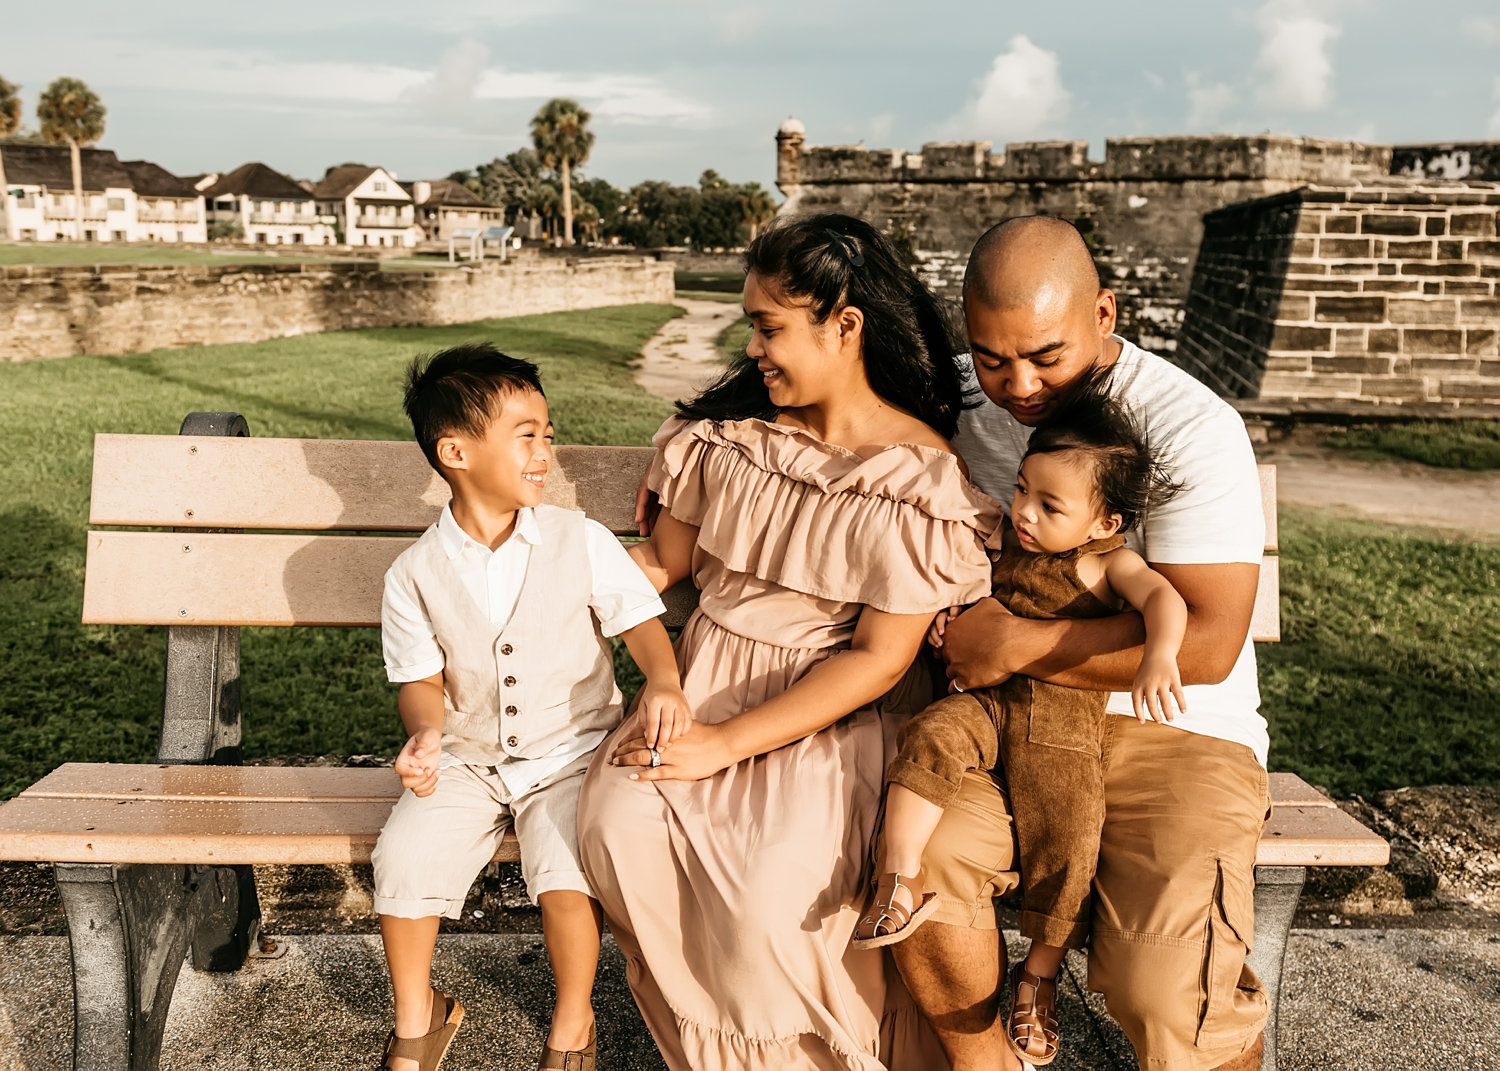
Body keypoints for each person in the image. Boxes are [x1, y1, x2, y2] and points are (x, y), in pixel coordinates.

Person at [576, 214, 1001, 1070]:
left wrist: (726, 743)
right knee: (615, 823)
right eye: (750, 326)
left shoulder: (918, 485)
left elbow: (879, 660)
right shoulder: (730, 440)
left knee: (766, 900)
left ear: (845, 325)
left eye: (769, 327)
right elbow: (664, 560)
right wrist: (541, 570)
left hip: (826, 718)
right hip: (701, 680)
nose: (754, 348)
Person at [889, 215, 1271, 1071]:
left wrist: (1018, 643)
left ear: (1104, 312)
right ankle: (985, 1061)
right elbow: (815, 398)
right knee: (924, 862)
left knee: (1166, 989)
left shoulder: (1186, 425)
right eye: (991, 357)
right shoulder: (954, 396)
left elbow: (1204, 644)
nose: (1018, 385)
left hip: (1176, 726)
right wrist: (689, 447)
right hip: (1011, 722)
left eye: (1044, 356)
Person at [372, 344, 691, 1071]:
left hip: (575, 752)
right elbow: (420, 678)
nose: (546, 449)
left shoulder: (578, 539)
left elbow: (638, 621)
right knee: (403, 856)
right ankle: (418, 1018)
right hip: (468, 757)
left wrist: (664, 681)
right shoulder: (414, 573)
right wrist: (425, 733)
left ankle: (573, 1019)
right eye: (527, 434)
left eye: (548, 433)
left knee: (565, 869)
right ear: (456, 450)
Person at [854, 384, 1188, 1068]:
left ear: (1104, 522)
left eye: (1049, 505)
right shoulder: (1004, 538)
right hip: (986, 702)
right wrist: (951, 624)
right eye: (1022, 490)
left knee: (1070, 842)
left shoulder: (1105, 561)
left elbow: (1165, 599)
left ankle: (1036, 975)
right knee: (928, 739)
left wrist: (1158, 654)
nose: (1025, 511)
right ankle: (900, 876)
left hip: (1061, 725)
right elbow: (970, 602)